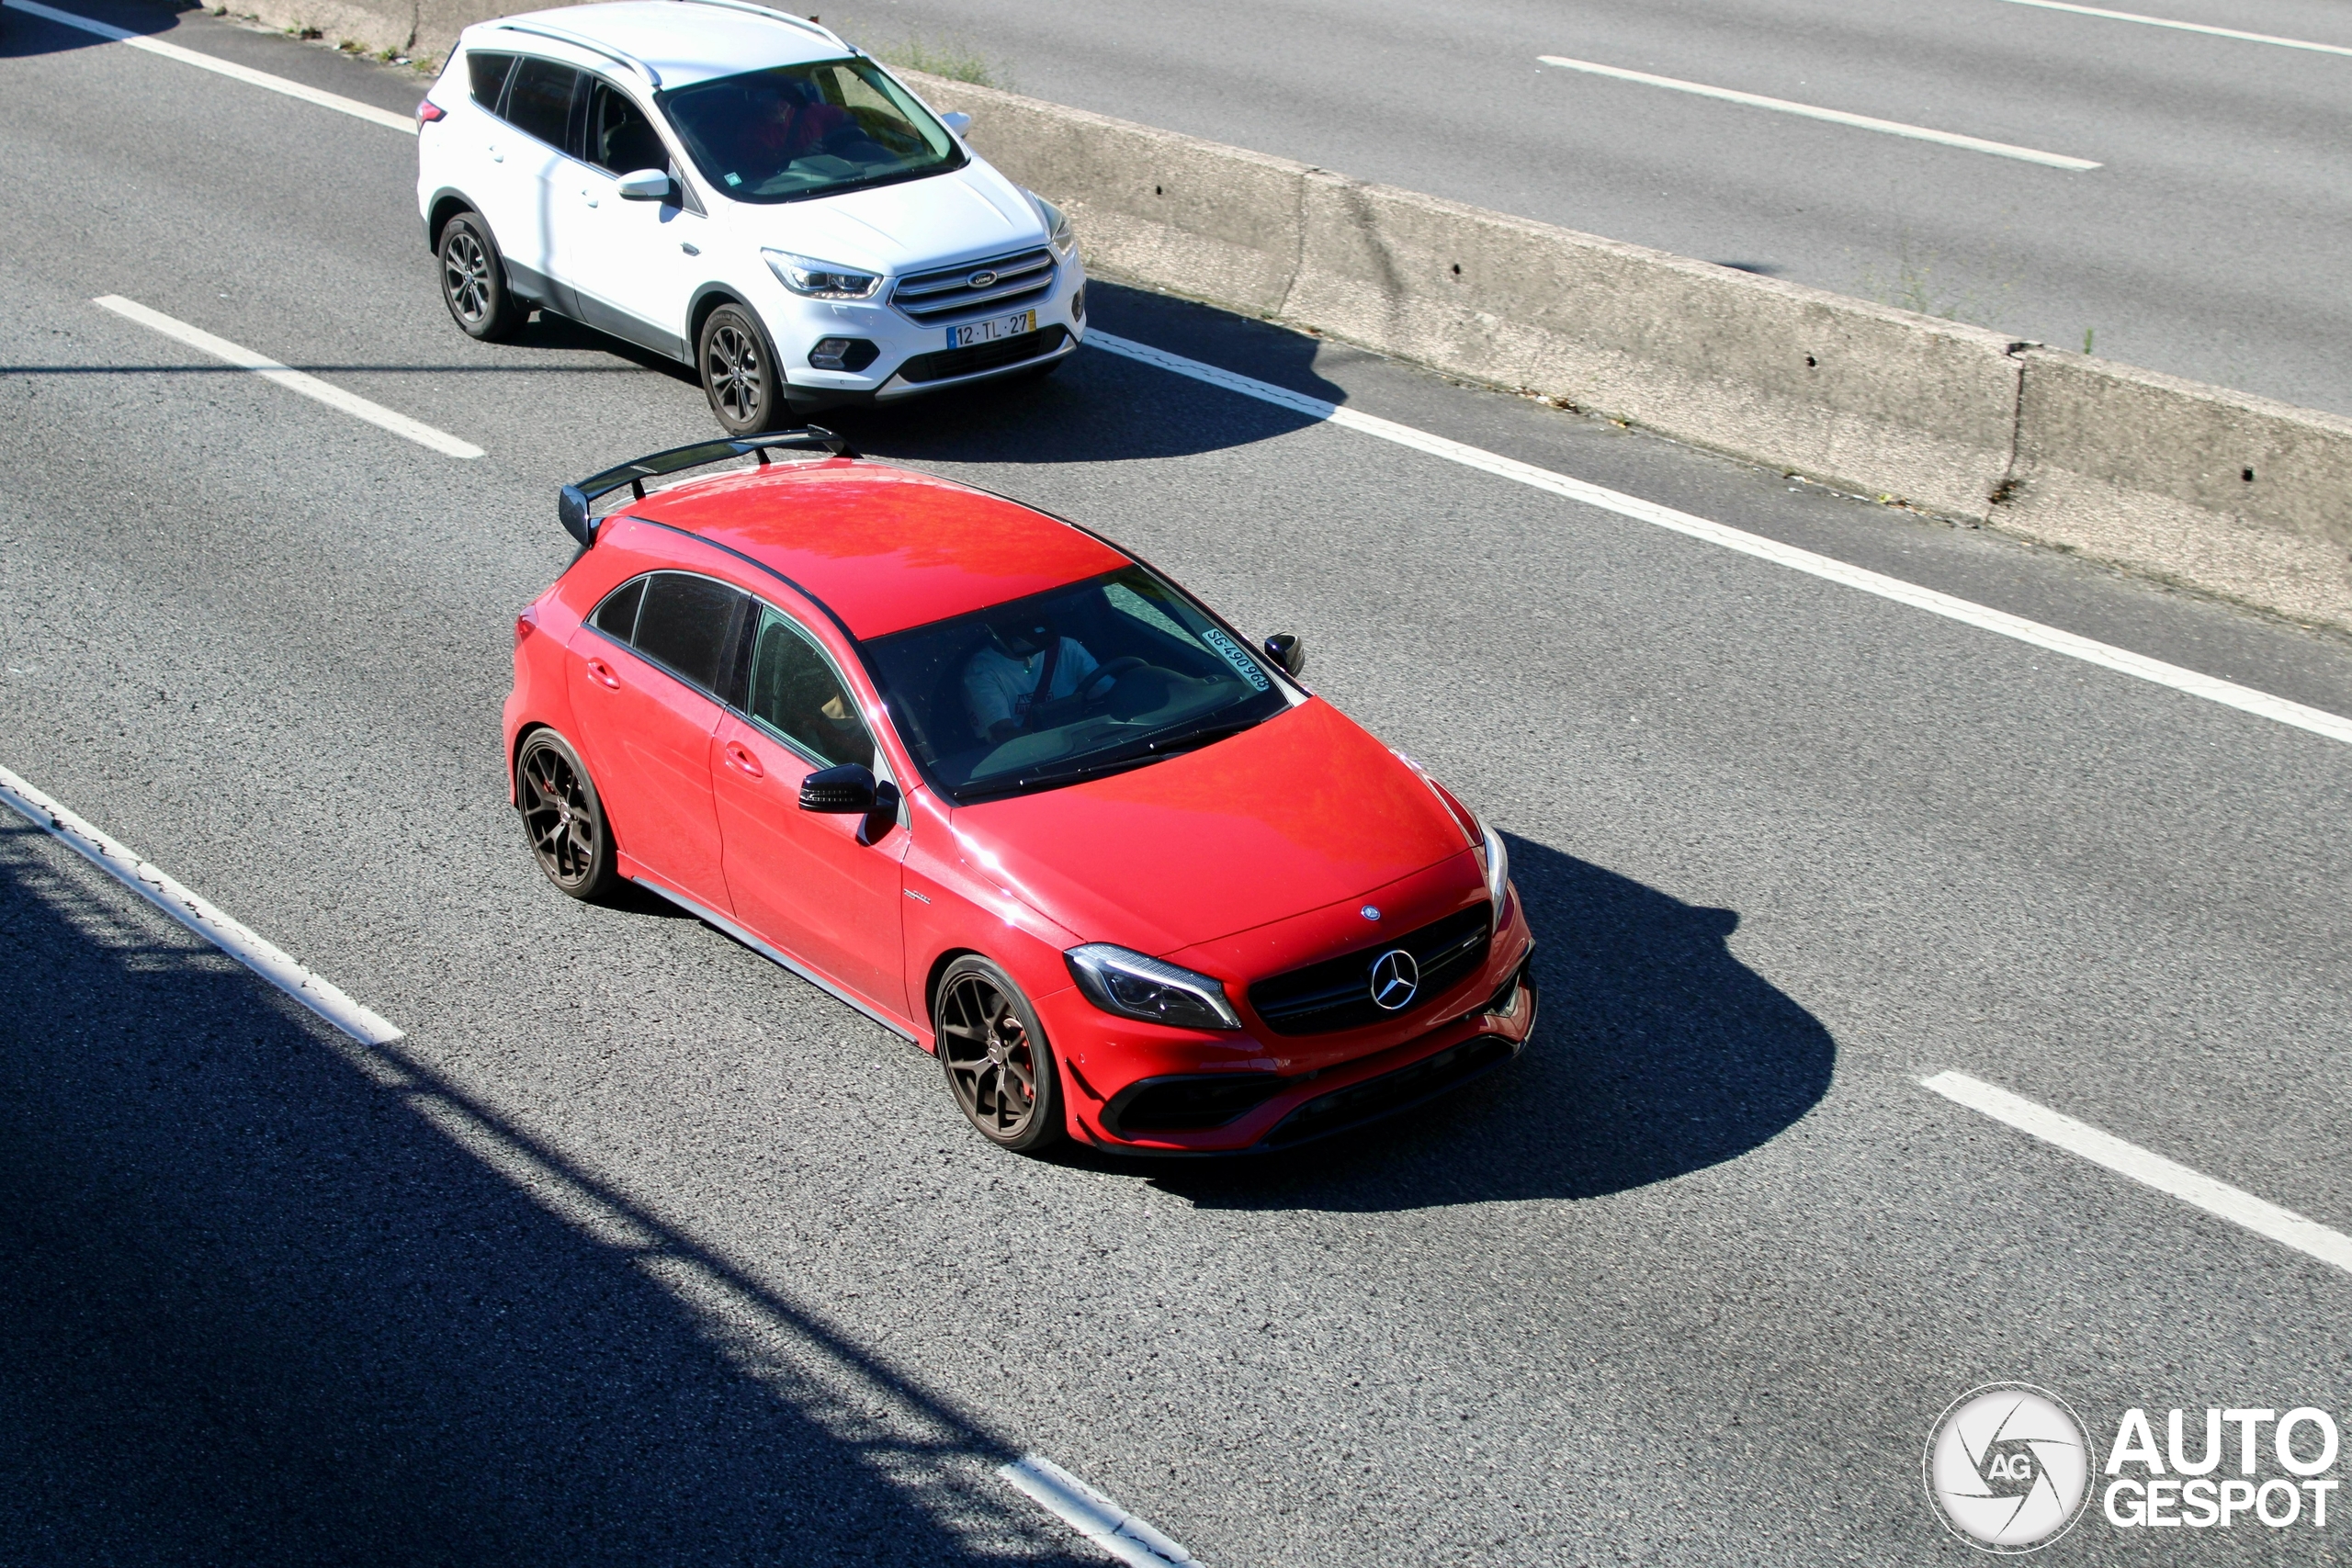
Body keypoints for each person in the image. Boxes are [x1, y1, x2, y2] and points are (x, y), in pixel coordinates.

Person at [963, 614, 1098, 745]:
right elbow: (1003, 735)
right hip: (1026, 757)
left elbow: (1109, 693)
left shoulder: (1068, 649)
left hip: (1086, 741)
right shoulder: (981, 670)